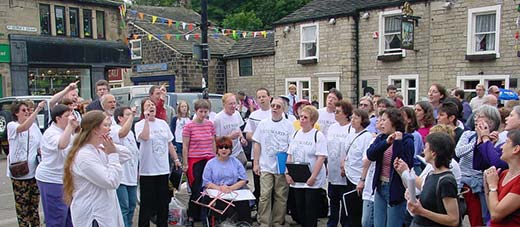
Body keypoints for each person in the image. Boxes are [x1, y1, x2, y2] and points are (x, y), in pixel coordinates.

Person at [62, 110, 132, 226]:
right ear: (95, 129)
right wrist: (112, 155)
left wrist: (111, 147)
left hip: (104, 212)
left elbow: (127, 154)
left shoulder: (98, 148)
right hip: (94, 216)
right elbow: (111, 181)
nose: (109, 129)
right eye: (105, 125)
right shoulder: (84, 156)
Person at [396, 132, 460, 227]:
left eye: (426, 147)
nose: (423, 150)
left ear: (433, 153)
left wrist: (422, 212)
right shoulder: (431, 174)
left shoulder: (446, 181)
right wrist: (411, 198)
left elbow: (453, 220)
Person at [136, 98, 181, 227]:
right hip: (148, 171)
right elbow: (144, 137)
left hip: (162, 169)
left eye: (152, 105)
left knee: (163, 202)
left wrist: (176, 159)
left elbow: (169, 143)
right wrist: (146, 119)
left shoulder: (162, 123)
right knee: (147, 204)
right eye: (148, 105)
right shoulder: (139, 124)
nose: (151, 107)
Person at [366, 107, 414, 227]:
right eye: (380, 120)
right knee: (378, 224)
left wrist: (397, 142)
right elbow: (370, 154)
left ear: (393, 121)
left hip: (395, 188)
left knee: (393, 224)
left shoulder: (407, 140)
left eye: (384, 120)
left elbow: (402, 163)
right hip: (380, 185)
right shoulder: (381, 138)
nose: (381, 123)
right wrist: (387, 143)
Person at [455, 105, 500, 226]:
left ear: (490, 122)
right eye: (476, 116)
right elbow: (458, 152)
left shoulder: (494, 138)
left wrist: (488, 142)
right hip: (462, 181)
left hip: (479, 184)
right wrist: (477, 142)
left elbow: (492, 162)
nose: (476, 119)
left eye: (480, 117)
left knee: (479, 219)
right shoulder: (468, 135)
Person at [252, 97, 294, 227]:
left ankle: (277, 222)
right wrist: (256, 163)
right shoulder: (263, 123)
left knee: (280, 196)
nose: (275, 108)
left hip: (281, 166)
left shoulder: (289, 125)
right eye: (273, 106)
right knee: (264, 195)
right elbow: (257, 143)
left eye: (278, 106)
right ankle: (264, 222)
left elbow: (292, 147)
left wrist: (288, 167)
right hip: (265, 165)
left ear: (283, 109)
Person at [36, 104, 78, 227]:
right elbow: (62, 145)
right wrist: (70, 127)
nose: (71, 118)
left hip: (65, 179)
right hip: (51, 180)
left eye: (72, 114)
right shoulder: (51, 133)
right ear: (57, 119)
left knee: (69, 218)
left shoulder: (67, 131)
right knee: (57, 217)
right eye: (67, 116)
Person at [286, 105, 327, 227]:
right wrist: (287, 173)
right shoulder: (295, 134)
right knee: (299, 209)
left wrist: (313, 176)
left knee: (310, 209)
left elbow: (321, 157)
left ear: (312, 120)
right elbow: (290, 155)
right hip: (297, 178)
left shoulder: (318, 135)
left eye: (305, 117)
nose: (302, 119)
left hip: (312, 178)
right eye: (301, 117)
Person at [7, 101, 45, 227]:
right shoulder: (12, 126)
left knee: (33, 206)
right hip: (20, 173)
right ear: (16, 113)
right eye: (24, 110)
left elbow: (40, 145)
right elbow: (23, 127)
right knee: (22, 207)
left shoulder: (34, 127)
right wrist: (37, 110)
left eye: (28, 110)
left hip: (34, 172)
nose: (27, 113)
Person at [202, 136, 251, 223]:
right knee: (221, 204)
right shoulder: (210, 163)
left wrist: (231, 188)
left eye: (226, 147)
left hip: (233, 190)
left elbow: (243, 179)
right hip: (216, 190)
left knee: (244, 204)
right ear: (217, 149)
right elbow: (206, 182)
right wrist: (220, 188)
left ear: (230, 149)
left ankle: (244, 223)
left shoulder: (236, 162)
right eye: (221, 147)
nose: (224, 150)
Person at [183, 99, 217, 224]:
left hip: (209, 159)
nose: (203, 114)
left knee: (208, 188)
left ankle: (206, 214)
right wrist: (185, 163)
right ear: (195, 111)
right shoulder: (189, 126)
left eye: (205, 111)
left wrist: (215, 157)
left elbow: (213, 141)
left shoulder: (210, 124)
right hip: (195, 160)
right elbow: (185, 145)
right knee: (197, 189)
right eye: (201, 111)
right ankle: (192, 215)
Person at [341, 109, 373, 227]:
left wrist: (362, 179)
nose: (352, 120)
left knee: (356, 210)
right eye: (352, 117)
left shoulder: (367, 137)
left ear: (362, 120)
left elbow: (366, 159)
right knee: (348, 206)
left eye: (356, 118)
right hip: (349, 174)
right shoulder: (350, 135)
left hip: (358, 176)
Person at [326, 100, 354, 227]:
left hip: (345, 170)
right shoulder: (332, 127)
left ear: (346, 114)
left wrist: (345, 166)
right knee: (333, 197)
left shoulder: (351, 129)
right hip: (332, 168)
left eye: (338, 112)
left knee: (345, 198)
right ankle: (332, 222)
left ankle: (345, 222)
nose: (335, 114)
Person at [483, 130, 520, 226]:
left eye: (507, 142)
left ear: (516, 149)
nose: (501, 147)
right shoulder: (504, 173)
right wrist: (487, 183)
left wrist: (492, 186)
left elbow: (496, 214)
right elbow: (491, 208)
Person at [243, 88, 272, 208]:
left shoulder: (275, 112)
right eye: (259, 97)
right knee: (259, 186)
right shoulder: (254, 115)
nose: (261, 99)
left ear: (269, 97)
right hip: (257, 155)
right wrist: (260, 137)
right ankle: (261, 211)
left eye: (264, 96)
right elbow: (248, 134)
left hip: (272, 155)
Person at [111, 106, 139, 227]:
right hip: (121, 177)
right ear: (120, 118)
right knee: (124, 206)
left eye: (131, 115)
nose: (131, 117)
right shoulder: (114, 129)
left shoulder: (131, 133)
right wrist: (132, 116)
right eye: (127, 115)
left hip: (131, 176)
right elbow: (122, 133)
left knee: (132, 204)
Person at [213, 93, 248, 166]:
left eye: (235, 103)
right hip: (225, 151)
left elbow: (238, 129)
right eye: (230, 104)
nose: (233, 106)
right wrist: (229, 137)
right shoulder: (218, 119)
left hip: (238, 150)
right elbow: (216, 139)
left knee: (243, 163)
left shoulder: (237, 114)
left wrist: (242, 138)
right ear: (224, 104)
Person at [401, 106, 424, 175]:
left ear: (409, 119)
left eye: (402, 116)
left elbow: (413, 155)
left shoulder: (415, 135)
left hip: (413, 167)